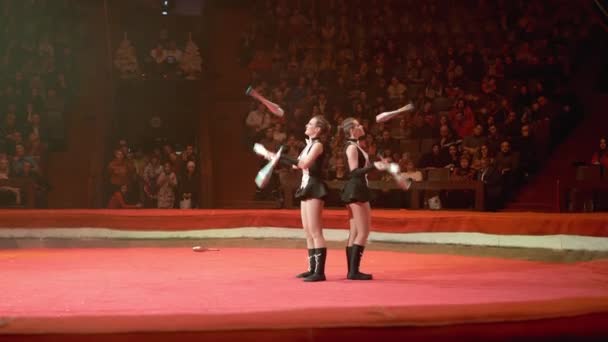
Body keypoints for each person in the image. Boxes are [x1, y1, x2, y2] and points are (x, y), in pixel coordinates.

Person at [270, 116, 332, 282]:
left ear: (318, 130)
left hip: (315, 187)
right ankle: (312, 269)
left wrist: (282, 156)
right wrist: (278, 159)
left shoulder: (318, 145)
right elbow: (297, 164)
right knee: (307, 230)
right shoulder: (309, 145)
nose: (306, 125)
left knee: (315, 231)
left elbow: (304, 164)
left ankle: (319, 272)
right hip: (306, 186)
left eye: (310, 124)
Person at [340, 117, 384, 280]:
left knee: (354, 232)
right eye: (358, 125)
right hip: (356, 190)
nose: (362, 126)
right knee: (363, 232)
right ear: (351, 130)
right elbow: (353, 172)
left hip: (355, 189)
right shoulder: (352, 148)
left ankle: (352, 271)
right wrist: (374, 166)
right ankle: (353, 271)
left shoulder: (355, 146)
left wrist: (374, 166)